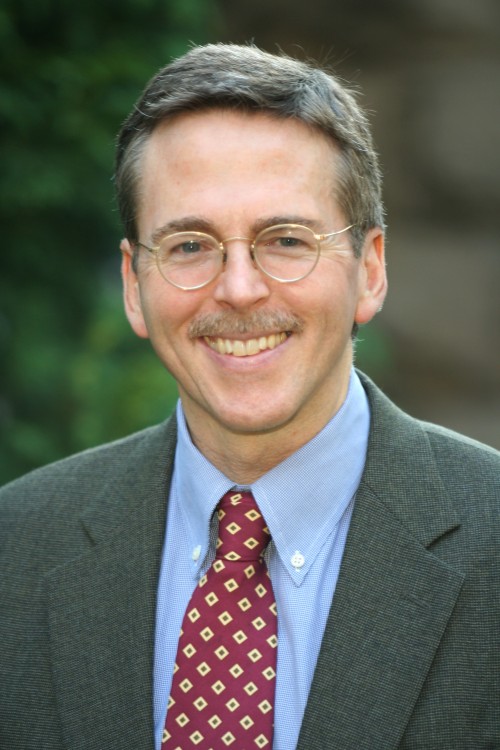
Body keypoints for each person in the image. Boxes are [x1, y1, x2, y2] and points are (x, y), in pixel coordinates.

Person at [0, 43, 499, 750]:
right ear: (134, 286)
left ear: (370, 271)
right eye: (190, 245)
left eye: (286, 239)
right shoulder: (16, 550)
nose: (239, 289)